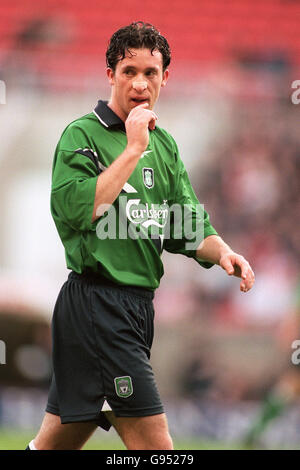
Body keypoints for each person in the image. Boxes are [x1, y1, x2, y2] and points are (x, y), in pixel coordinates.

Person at [26, 21, 255, 450]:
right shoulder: (82, 136)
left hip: (135, 310)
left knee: (55, 442)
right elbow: (81, 211)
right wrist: (132, 149)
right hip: (97, 306)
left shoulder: (164, 146)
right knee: (157, 447)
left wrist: (223, 252)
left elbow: (186, 225)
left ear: (165, 77)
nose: (140, 83)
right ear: (110, 73)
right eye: (129, 71)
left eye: (150, 73)